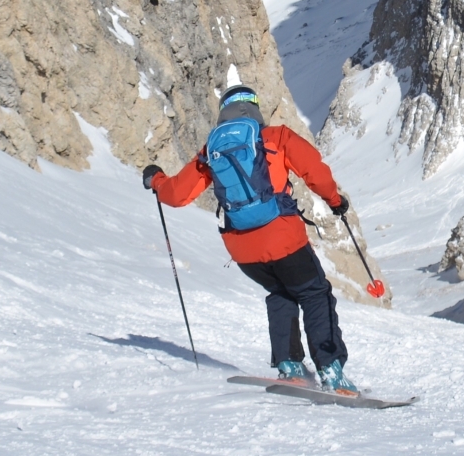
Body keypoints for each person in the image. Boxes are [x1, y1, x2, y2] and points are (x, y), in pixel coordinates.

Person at [144, 85, 356, 390]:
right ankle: (331, 369)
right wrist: (336, 201)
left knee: (281, 292)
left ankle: (290, 365)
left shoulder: (211, 150)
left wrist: (156, 179)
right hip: (284, 240)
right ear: (255, 108)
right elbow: (315, 172)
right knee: (314, 293)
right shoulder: (276, 137)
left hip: (242, 249)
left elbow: (176, 194)